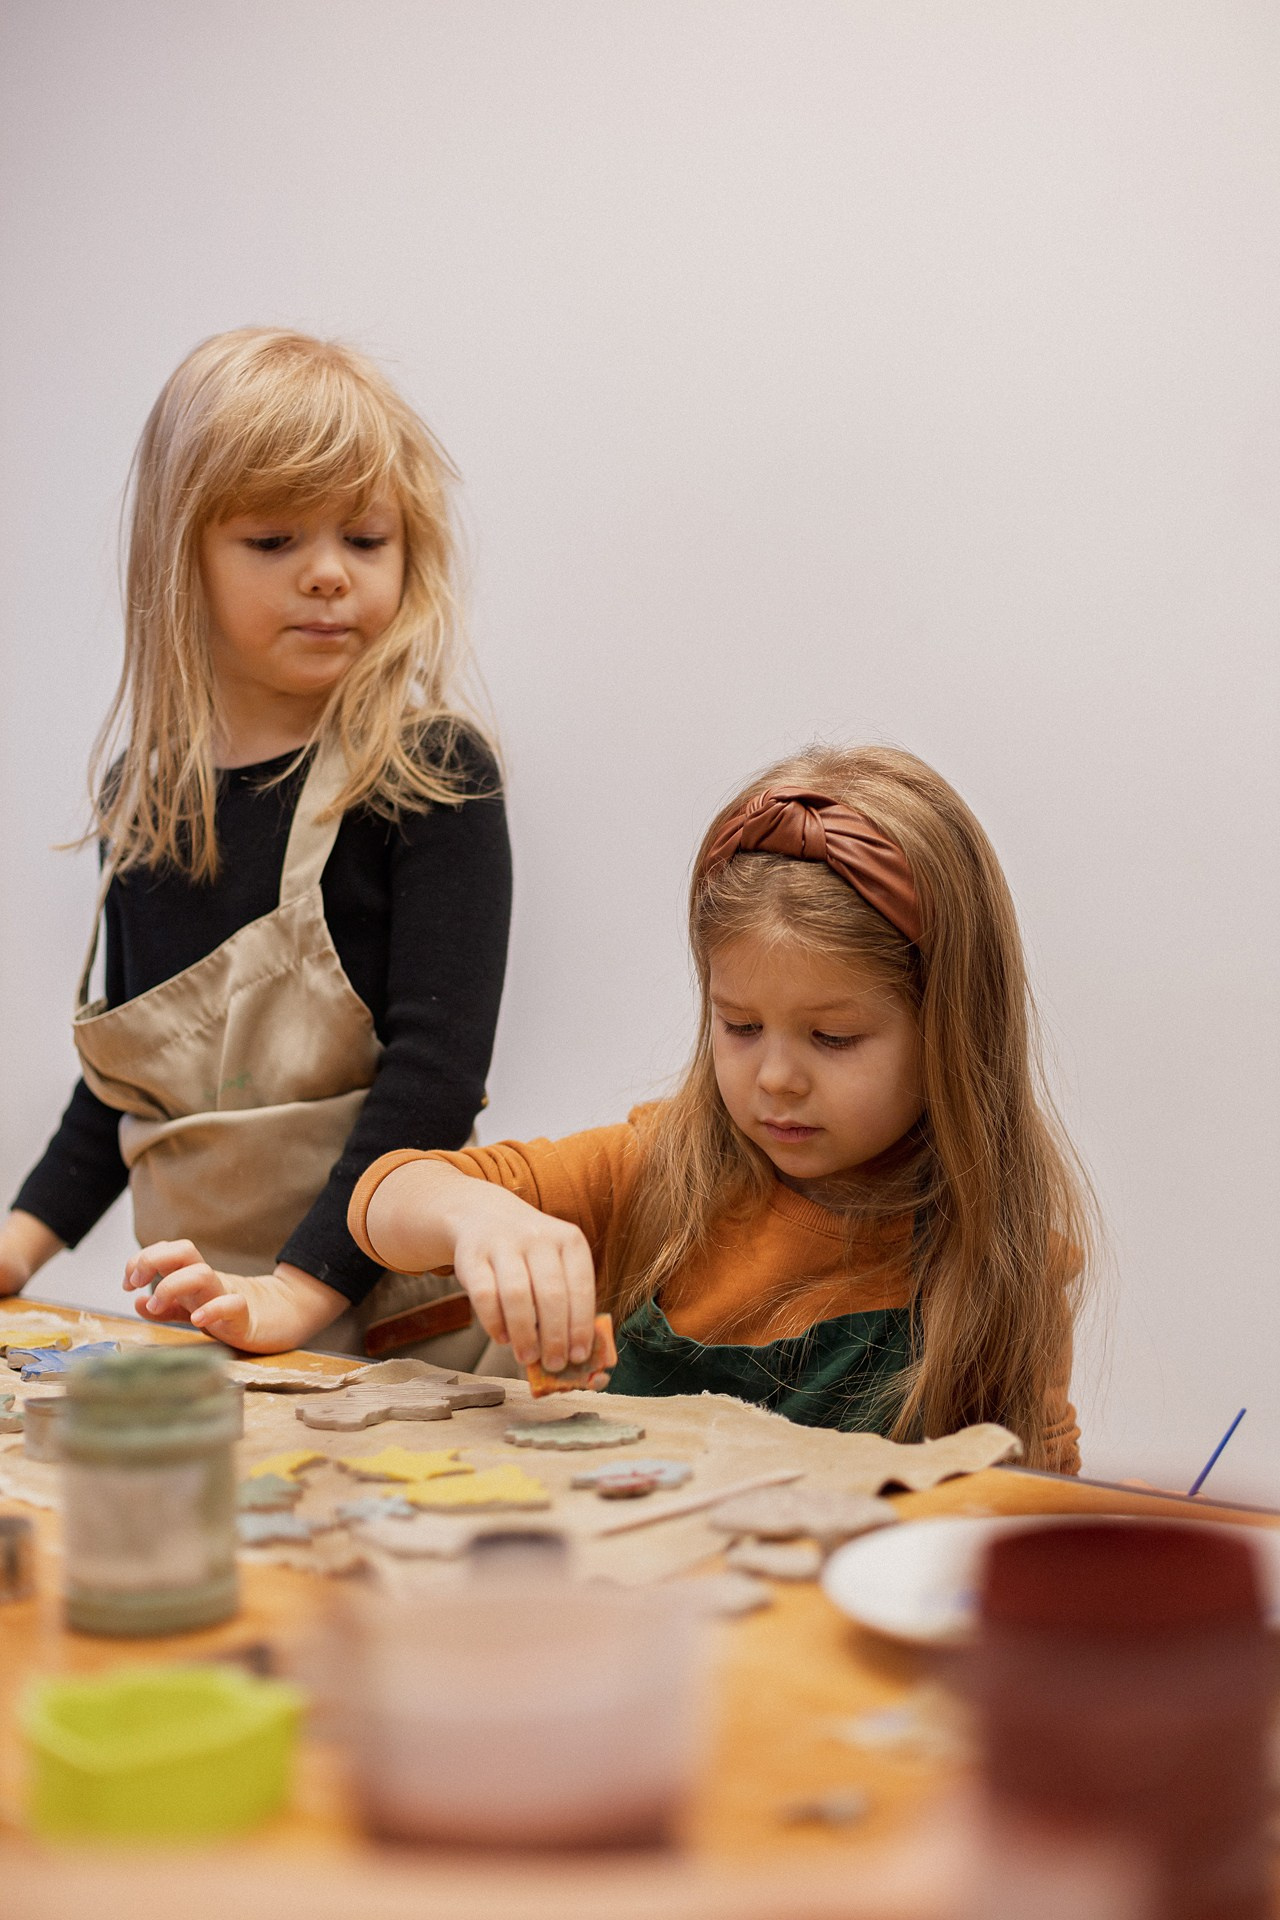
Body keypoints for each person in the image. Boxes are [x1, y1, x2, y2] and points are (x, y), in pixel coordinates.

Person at [151, 742, 1091, 1472]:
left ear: (952, 1030)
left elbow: (1033, 1506)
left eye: (833, 1039)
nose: (776, 1079)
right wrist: (478, 1216)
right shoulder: (662, 1169)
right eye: (739, 1026)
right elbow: (388, 1195)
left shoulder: (1006, 1256)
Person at [0, 327, 512, 1367]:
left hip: (394, 1328)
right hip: (209, 1330)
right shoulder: (146, 798)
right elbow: (127, 1088)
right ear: (178, 554)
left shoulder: (429, 770)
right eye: (274, 542)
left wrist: (297, 1288)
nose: (327, 575)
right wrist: (18, 1243)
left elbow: (436, 1080)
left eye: (364, 541)